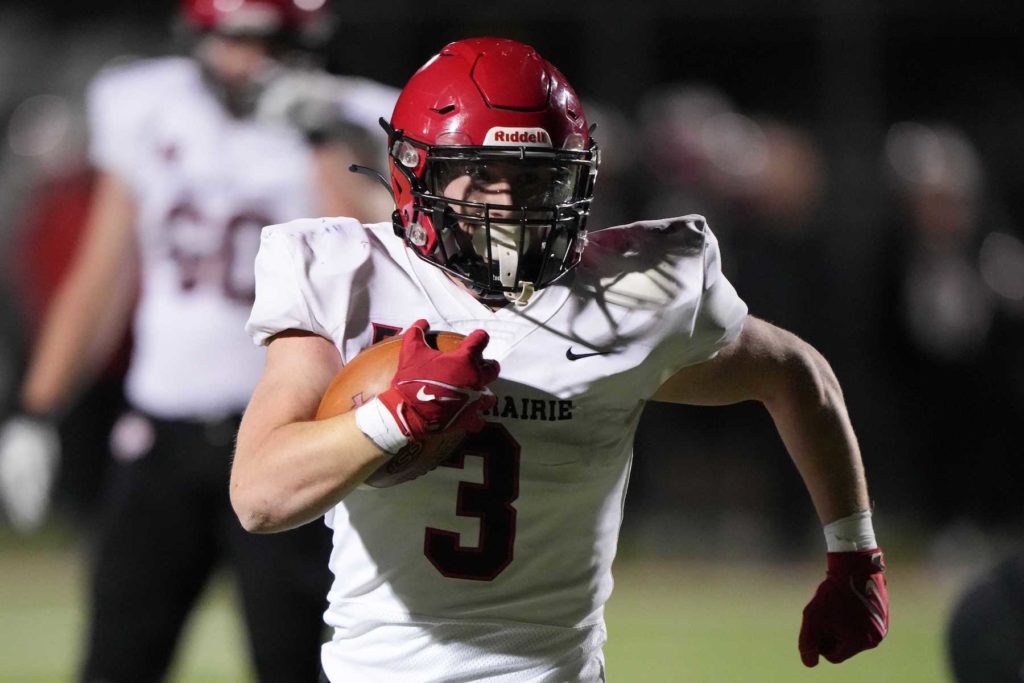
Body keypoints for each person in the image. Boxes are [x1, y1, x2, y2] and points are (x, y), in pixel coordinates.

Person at [231, 37, 890, 681]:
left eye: (536, 177)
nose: (509, 202)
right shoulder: (348, 276)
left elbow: (798, 374)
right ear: (414, 171)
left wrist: (855, 555)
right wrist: (395, 416)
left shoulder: (628, 296)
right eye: (482, 173)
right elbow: (260, 497)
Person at [0, 0, 396, 680]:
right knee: (116, 660)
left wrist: (323, 140)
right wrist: (36, 409)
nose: (253, 59)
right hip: (162, 431)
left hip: (288, 430)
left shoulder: (358, 117)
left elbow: (375, 263)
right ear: (197, 38)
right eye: (235, 39)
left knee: (294, 663)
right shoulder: (145, 104)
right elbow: (102, 275)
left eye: (273, 40)